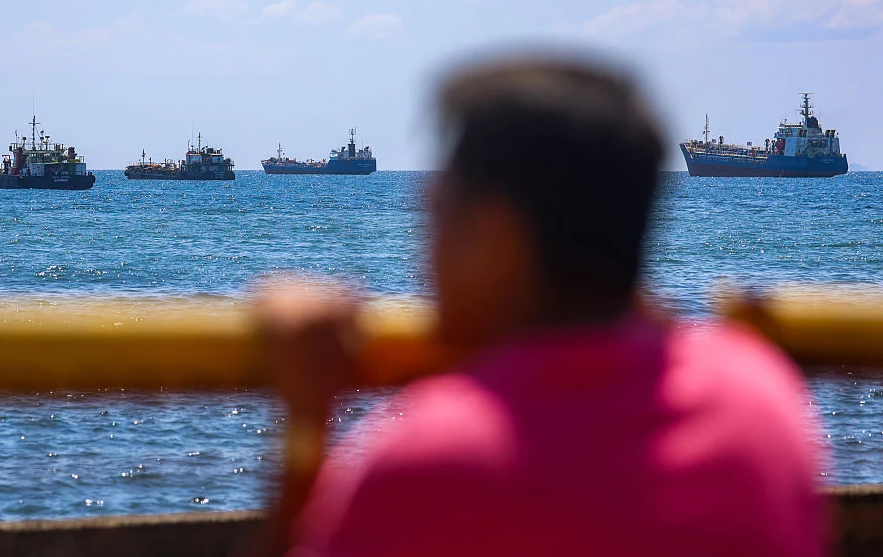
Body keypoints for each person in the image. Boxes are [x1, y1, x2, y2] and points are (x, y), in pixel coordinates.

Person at [258, 54, 826, 557]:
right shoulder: (767, 400)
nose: (422, 246)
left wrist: (306, 422)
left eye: (432, 211)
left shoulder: (428, 461)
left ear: (496, 240)